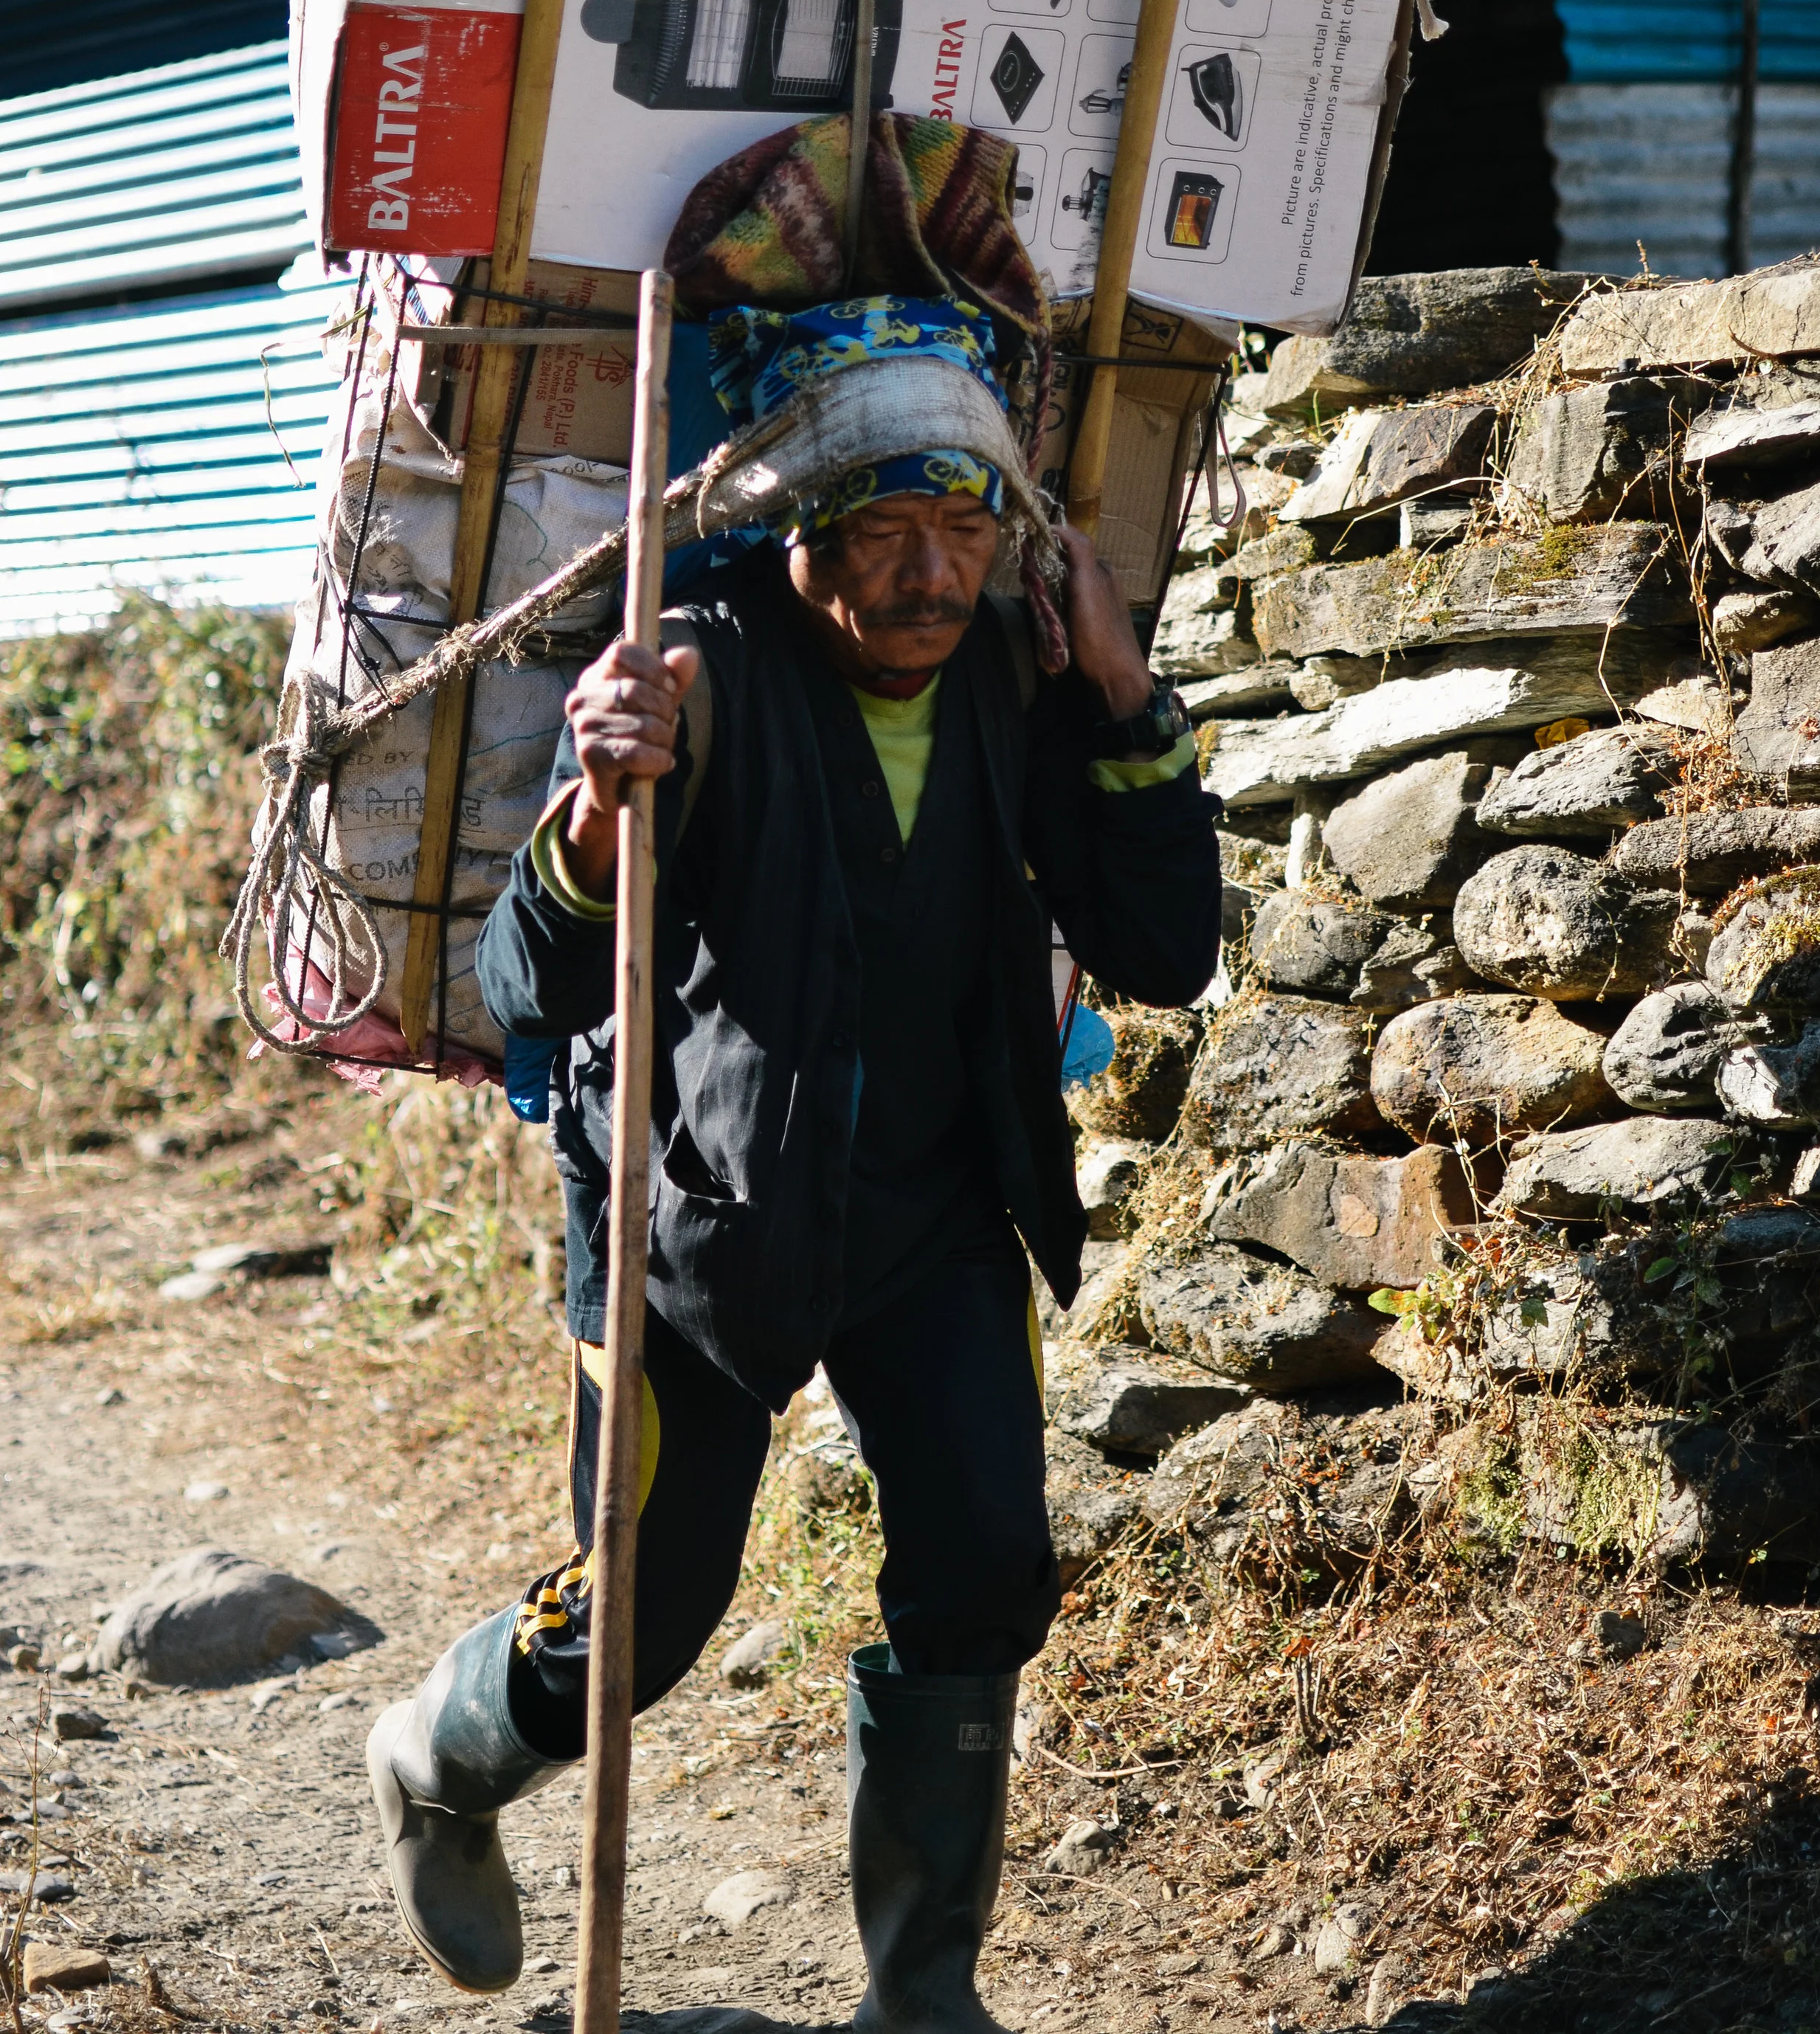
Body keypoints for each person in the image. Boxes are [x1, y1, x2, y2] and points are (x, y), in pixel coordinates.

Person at [365, 295, 1221, 2024]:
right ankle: (438, 1760)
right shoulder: (692, 670)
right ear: (799, 534)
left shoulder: (1015, 669)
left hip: (931, 1206)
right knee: (644, 1623)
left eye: (964, 526)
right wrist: (604, 811)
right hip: (695, 1216)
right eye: (886, 532)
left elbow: (1163, 948)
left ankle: (921, 1996)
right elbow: (527, 981)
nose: (929, 574)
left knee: (984, 1569)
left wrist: (1125, 693)